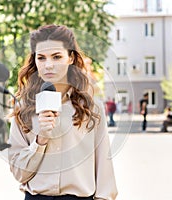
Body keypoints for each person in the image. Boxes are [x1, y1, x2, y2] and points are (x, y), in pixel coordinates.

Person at [7, 25, 118, 200]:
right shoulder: (23, 106)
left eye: (57, 57)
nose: (48, 65)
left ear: (71, 58)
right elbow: (19, 174)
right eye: (41, 58)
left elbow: (104, 166)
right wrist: (40, 140)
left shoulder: (91, 106)